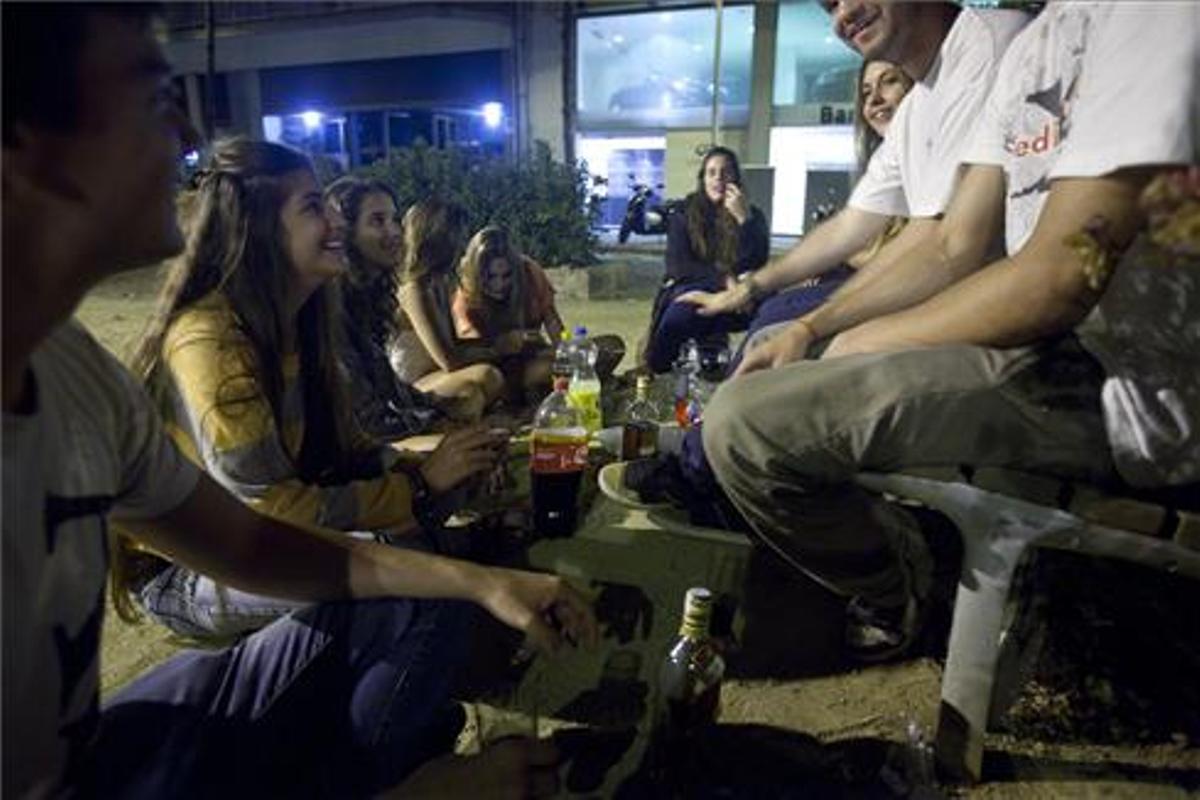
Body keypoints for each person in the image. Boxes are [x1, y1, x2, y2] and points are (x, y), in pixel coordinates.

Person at [1, 5, 595, 797]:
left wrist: (478, 579)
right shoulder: (203, 341)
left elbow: (252, 547)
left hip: (102, 733)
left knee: (437, 581)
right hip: (178, 604)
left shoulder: (75, 373)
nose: (185, 135)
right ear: (25, 147)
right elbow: (274, 515)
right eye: (150, 95)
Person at [702, 1, 1198, 662]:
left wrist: (850, 341)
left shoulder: (1149, 17)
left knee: (748, 424)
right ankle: (905, 572)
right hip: (1044, 355)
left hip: (1123, 390)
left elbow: (1060, 275)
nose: (843, 12)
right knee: (776, 366)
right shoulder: (1036, 43)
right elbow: (941, 240)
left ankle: (905, 594)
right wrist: (809, 324)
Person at [113, 137, 508, 639]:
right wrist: (420, 485)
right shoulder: (209, 341)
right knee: (397, 564)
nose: (337, 221)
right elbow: (266, 511)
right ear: (258, 231)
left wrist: (442, 468)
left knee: (441, 504)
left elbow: (353, 451)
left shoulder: (303, 323)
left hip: (276, 536)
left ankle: (454, 563)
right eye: (314, 207)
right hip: (200, 569)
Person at [679, 1, 1028, 363]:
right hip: (950, 297)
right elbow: (851, 225)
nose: (842, 14)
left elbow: (947, 243)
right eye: (830, 6)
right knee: (773, 329)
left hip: (1007, 322)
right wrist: (753, 287)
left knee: (774, 364)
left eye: (889, 82)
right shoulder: (916, 108)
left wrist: (813, 326)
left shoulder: (991, 45)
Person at [734, 58, 915, 356]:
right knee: (770, 310)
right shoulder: (888, 159)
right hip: (870, 282)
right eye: (866, 92)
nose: (874, 100)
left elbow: (910, 256)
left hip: (904, 295)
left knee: (769, 331)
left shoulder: (931, 160)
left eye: (890, 81)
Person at [324, 175, 446, 440]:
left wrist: (444, 412)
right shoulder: (334, 305)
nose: (394, 232)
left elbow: (390, 388)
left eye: (394, 220)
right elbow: (369, 419)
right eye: (377, 221)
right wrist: (434, 426)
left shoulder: (369, 296)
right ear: (347, 233)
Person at [642, 146, 769, 373]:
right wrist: (725, 280)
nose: (718, 179)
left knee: (774, 308)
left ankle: (748, 372)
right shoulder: (684, 213)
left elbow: (757, 260)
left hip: (740, 292)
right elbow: (679, 265)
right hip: (695, 287)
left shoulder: (752, 214)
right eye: (712, 173)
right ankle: (656, 371)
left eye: (725, 172)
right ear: (703, 179)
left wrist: (744, 221)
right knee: (676, 319)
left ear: (736, 178)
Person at [392, 199, 510, 419]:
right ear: (438, 240)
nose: (462, 245)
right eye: (457, 237)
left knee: (489, 377)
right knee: (487, 376)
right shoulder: (413, 291)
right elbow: (448, 360)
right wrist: (495, 351)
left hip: (436, 375)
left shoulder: (440, 285)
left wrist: (499, 343)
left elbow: (453, 345)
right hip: (411, 384)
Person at [452, 225, 565, 402]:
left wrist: (568, 355)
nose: (499, 285)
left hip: (534, 355)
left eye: (506, 276)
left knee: (603, 350)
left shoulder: (530, 272)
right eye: (490, 277)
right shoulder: (466, 294)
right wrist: (503, 344)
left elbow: (553, 324)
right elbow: (469, 351)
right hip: (495, 369)